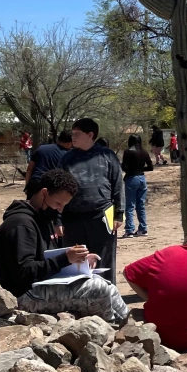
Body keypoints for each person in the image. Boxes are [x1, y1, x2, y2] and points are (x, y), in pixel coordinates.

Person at [0, 168, 128, 324]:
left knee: (107, 285)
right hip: (23, 294)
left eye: (64, 205)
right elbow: (24, 272)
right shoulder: (21, 225)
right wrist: (65, 259)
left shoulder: (43, 218)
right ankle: (111, 330)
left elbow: (47, 257)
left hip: (40, 285)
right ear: (44, 193)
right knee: (99, 289)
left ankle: (126, 326)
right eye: (58, 203)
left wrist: (79, 260)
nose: (60, 209)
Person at [60, 118, 125, 281]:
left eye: (77, 134)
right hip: (72, 218)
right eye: (72, 133)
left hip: (103, 216)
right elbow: (57, 189)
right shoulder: (66, 158)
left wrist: (118, 215)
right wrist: (57, 220)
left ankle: (106, 298)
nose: (72, 137)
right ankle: (79, 301)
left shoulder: (107, 155)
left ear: (90, 135)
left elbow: (118, 186)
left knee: (103, 262)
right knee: (76, 263)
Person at [121, 134, 154, 238]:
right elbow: (151, 167)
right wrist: (140, 169)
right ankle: (143, 229)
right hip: (142, 179)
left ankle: (129, 230)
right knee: (141, 205)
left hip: (131, 178)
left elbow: (124, 167)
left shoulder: (127, 152)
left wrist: (131, 170)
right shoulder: (144, 152)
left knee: (130, 206)